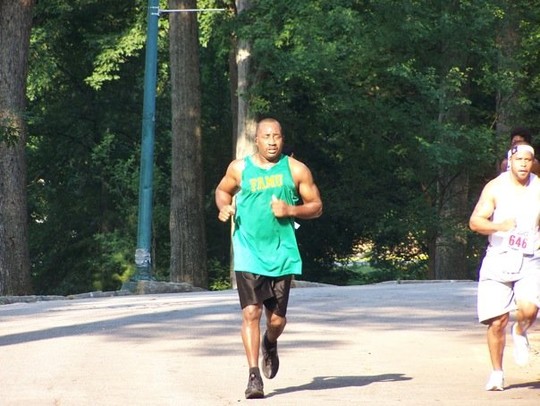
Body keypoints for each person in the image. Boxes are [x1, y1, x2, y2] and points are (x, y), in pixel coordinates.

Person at [215, 117, 323, 399]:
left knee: (276, 321)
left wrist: (291, 210)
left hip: (281, 254)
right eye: (266, 136)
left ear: (282, 139)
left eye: (277, 136)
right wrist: (224, 206)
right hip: (248, 251)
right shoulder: (239, 168)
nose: (272, 142)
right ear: (257, 140)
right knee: (251, 312)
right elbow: (222, 190)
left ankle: (270, 342)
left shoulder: (296, 170)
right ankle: (254, 376)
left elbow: (316, 206)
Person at [469, 142, 540, 391]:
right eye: (519, 160)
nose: (523, 165)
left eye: (528, 160)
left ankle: (519, 330)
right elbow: (475, 222)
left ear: (533, 163)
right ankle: (497, 373)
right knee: (497, 321)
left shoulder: (538, 188)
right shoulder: (495, 187)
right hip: (498, 258)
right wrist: (500, 226)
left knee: (529, 310)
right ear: (510, 161)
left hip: (530, 258)